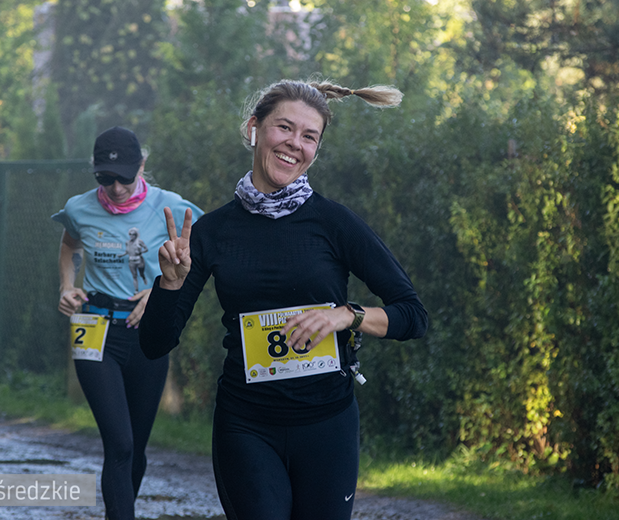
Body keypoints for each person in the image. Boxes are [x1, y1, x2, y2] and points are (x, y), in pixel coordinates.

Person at [138, 80, 428, 520]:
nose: (295, 144)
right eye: (284, 128)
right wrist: (170, 283)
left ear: (316, 148)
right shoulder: (211, 232)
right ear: (255, 128)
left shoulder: (334, 223)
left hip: (327, 425)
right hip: (246, 425)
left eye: (309, 136)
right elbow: (155, 344)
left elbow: (413, 315)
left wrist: (345, 316)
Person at [52, 126, 203, 520]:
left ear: (143, 166)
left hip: (147, 335)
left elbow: (201, 254)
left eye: (124, 177)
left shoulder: (170, 206)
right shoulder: (80, 207)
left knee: (135, 448)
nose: (116, 187)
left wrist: (161, 290)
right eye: (104, 177)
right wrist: (68, 285)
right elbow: (70, 245)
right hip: (94, 329)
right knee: (118, 443)